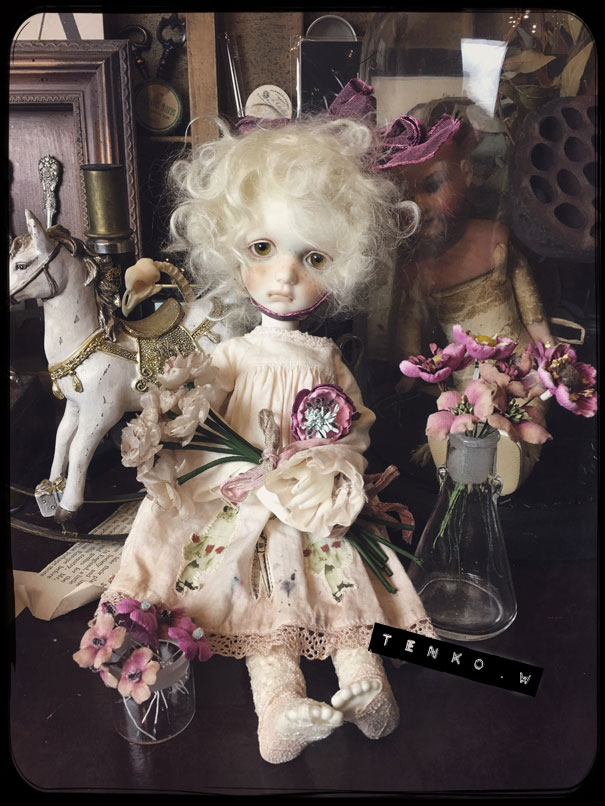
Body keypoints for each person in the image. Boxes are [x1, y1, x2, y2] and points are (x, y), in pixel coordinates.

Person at [91, 114, 436, 764]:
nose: (284, 277)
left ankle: (367, 685)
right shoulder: (231, 355)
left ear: (343, 265)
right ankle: (279, 709)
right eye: (261, 248)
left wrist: (334, 465)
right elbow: (194, 415)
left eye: (313, 258)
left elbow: (354, 422)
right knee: (259, 606)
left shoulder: (327, 357)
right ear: (230, 248)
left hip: (312, 504)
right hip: (243, 502)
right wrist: (195, 435)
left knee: (344, 590)